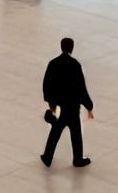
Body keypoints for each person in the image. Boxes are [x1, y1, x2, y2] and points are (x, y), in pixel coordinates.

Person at [39, 37, 93, 168]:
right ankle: (78, 159)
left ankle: (47, 156)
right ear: (72, 48)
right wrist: (89, 105)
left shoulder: (53, 63)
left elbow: (46, 84)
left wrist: (51, 102)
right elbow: (81, 88)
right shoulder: (75, 65)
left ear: (61, 47)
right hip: (73, 107)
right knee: (76, 134)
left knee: (55, 131)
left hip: (59, 106)